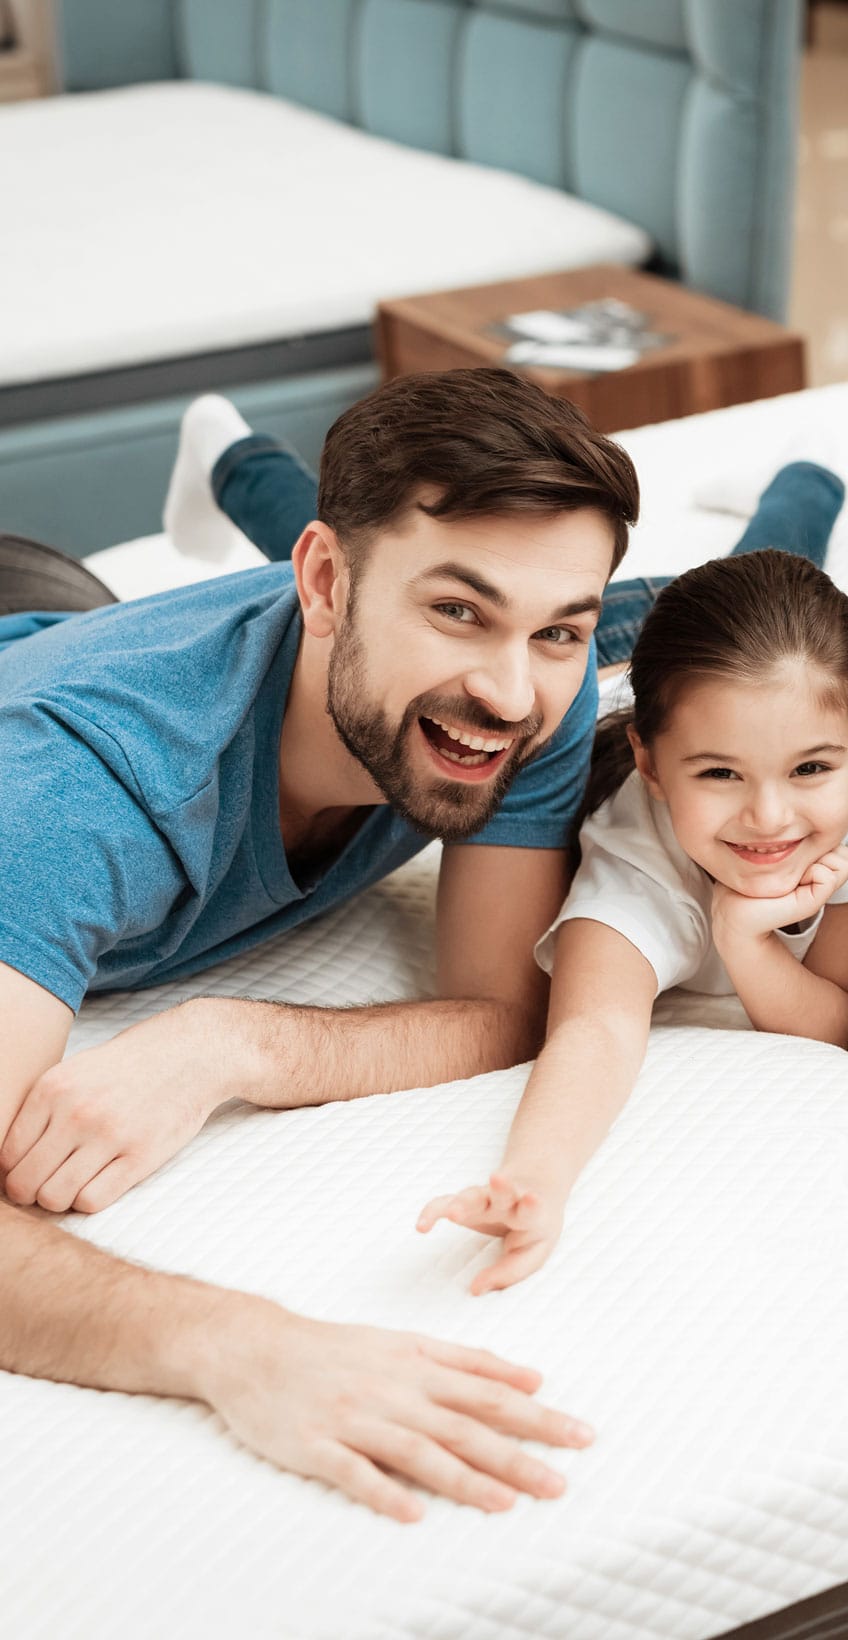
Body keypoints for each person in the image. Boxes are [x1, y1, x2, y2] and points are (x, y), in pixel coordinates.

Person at [0, 371, 640, 1517]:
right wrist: (234, 1345)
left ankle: (230, 456)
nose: (507, 688)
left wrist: (230, 1044)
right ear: (327, 582)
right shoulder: (66, 799)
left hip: (74, 614)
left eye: (557, 627)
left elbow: (504, 1007)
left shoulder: (530, 689)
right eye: (458, 610)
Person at [415, 493, 848, 1293]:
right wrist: (534, 1181)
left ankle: (809, 477)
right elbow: (595, 1028)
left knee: (775, 546)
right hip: (618, 671)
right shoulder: (635, 852)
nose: (769, 818)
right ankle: (246, 463)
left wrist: (743, 939)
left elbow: (840, 1016)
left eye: (813, 769)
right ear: (651, 768)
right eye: (719, 774)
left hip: (711, 673)